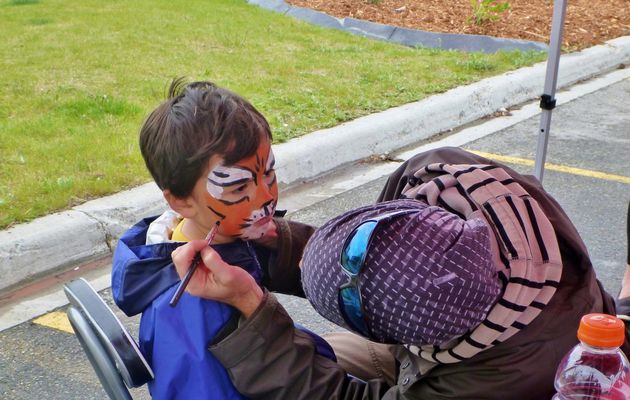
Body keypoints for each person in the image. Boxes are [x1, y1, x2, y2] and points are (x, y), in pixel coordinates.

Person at [171, 146, 630, 399]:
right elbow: (367, 261)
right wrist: (272, 240)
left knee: (271, 370)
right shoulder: (437, 175)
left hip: (503, 373)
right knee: (308, 353)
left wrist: (253, 310)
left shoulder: (497, 381)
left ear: (414, 337)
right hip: (442, 354)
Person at [111, 79, 333, 400]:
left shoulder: (215, 236)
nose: (266, 196)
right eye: (239, 187)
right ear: (182, 202)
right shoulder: (197, 302)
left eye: (268, 174)